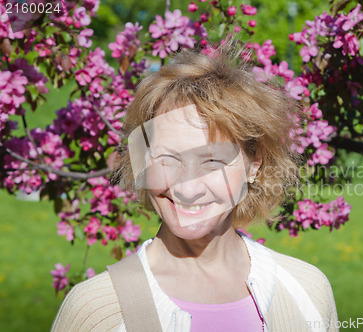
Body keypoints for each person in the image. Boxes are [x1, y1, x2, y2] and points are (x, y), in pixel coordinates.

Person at [51, 41, 339, 332]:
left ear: (254, 165)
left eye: (212, 162)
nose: (187, 189)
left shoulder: (307, 292)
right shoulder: (95, 311)